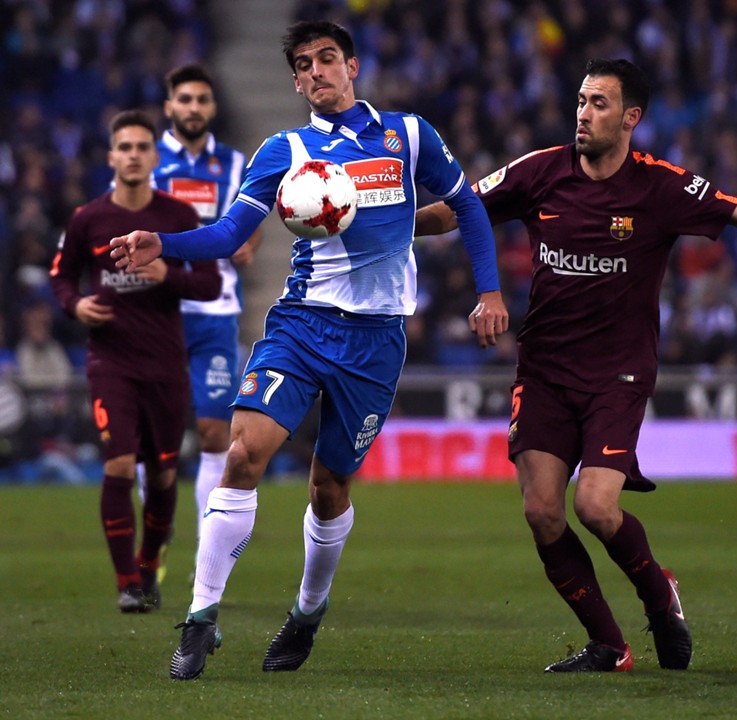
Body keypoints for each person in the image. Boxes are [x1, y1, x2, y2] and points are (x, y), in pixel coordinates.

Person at [414, 58, 737, 673]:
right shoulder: (537, 171)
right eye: (581, 100)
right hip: (545, 369)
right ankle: (610, 646)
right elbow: (454, 213)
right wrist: (368, 223)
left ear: (631, 117)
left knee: (597, 508)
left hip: (619, 372)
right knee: (541, 511)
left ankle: (660, 596)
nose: (583, 113)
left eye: (600, 104)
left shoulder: (662, 187)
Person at [110, 20, 507, 680]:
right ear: (295, 80)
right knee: (241, 452)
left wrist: (490, 292)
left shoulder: (408, 135)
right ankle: (201, 617)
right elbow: (231, 232)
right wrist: (164, 242)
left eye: (328, 59)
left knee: (329, 487)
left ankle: (307, 613)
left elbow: (468, 206)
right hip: (300, 325)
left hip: (376, 340)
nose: (316, 71)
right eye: (304, 64)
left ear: (351, 65)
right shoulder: (282, 149)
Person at [50, 110, 220, 613]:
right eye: (123, 147)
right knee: (119, 464)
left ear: (154, 156)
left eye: (142, 147)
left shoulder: (178, 218)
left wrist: (166, 274)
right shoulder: (88, 219)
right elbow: (62, 278)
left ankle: (149, 565)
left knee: (164, 476)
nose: (132, 155)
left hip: (167, 364)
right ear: (111, 157)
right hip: (111, 362)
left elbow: (209, 283)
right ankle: (128, 582)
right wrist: (75, 306)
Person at [154, 64, 264, 555]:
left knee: (214, 429)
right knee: (154, 436)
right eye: (185, 99)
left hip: (216, 309)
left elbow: (254, 215)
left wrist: (250, 242)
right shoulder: (147, 158)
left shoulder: (236, 162)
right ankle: (150, 541)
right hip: (156, 310)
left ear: (213, 108)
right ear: (169, 107)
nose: (194, 108)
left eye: (202, 99)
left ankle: (206, 546)